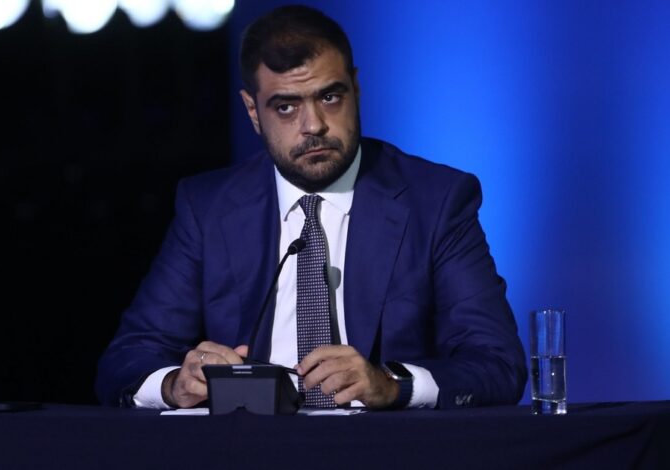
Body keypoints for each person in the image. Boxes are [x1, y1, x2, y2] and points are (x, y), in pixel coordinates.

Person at [96, 5, 526, 410]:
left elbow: (498, 364)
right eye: (286, 107)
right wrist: (176, 383)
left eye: (330, 97)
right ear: (253, 111)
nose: (314, 125)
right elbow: (127, 360)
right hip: (248, 444)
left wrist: (392, 384)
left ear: (356, 89)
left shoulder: (436, 200)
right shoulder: (209, 208)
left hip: (382, 447)